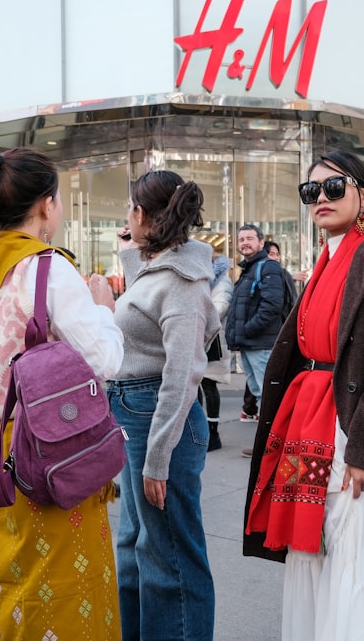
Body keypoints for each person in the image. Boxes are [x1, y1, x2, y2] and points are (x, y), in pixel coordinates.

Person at [245, 150, 364, 640]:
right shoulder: (325, 262)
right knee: (311, 546)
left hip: (348, 431)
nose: (320, 198)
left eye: (333, 187)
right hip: (306, 424)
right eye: (311, 191)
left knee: (351, 549)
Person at [0, 147, 124, 639]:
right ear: (47, 205)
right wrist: (104, 307)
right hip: (46, 455)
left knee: (12, 589)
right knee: (68, 597)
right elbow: (106, 361)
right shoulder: (49, 267)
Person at [110, 170, 220, 640]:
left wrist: (158, 459)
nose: (126, 217)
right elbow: (145, 309)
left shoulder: (183, 280)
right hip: (139, 412)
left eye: (131, 209)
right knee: (136, 547)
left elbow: (182, 372)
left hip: (158, 416)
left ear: (141, 213)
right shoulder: (164, 269)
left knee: (170, 557)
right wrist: (135, 247)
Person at [226, 224, 287, 426]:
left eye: (250, 238)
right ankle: (266, 449)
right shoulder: (248, 270)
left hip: (261, 345)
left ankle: (272, 450)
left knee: (268, 398)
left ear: (261, 242)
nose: (245, 243)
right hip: (250, 344)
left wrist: (248, 329)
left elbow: (272, 305)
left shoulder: (267, 267)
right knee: (261, 396)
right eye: (241, 239)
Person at [200, 251, 233, 452]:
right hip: (195, 337)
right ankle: (199, 430)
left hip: (213, 340)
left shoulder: (221, 279)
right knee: (194, 388)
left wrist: (196, 315)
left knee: (209, 385)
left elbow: (221, 306)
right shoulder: (197, 277)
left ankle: (213, 434)